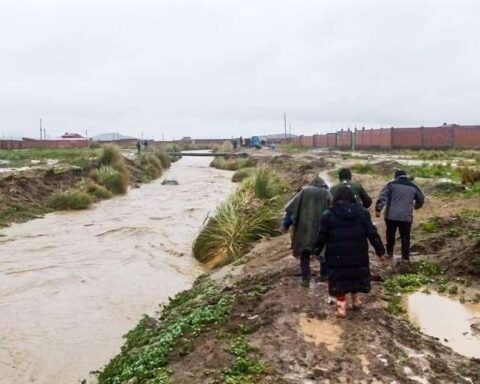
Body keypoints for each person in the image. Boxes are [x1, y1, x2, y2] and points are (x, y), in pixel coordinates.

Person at [314, 186, 385, 317]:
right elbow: (372, 233)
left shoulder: (328, 214)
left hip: (337, 253)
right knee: (355, 273)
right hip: (358, 251)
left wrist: (317, 249)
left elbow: (322, 235)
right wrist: (380, 250)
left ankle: (341, 308)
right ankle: (356, 300)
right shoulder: (363, 212)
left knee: (339, 277)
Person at [283, 175, 332, 287]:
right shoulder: (327, 193)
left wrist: (286, 224)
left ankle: (306, 278)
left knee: (304, 254)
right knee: (323, 252)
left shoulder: (304, 192)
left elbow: (291, 209)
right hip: (321, 230)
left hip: (304, 230)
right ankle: (324, 275)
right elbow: (334, 210)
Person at [375, 169, 425, 262]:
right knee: (405, 237)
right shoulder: (413, 186)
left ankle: (389, 253)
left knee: (390, 234)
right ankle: (405, 258)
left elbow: (383, 197)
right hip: (406, 216)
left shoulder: (391, 184)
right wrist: (416, 206)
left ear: (396, 176)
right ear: (405, 176)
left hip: (391, 216)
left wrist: (378, 209)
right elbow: (421, 198)